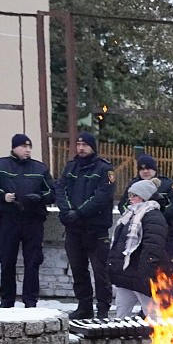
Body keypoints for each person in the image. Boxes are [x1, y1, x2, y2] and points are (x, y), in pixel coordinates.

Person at [0, 133, 54, 308]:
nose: (27, 150)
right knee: (7, 260)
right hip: (9, 219)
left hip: (33, 220)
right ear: (14, 148)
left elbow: (52, 192)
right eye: (23, 146)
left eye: (29, 147)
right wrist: (2, 197)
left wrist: (38, 198)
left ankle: (30, 301)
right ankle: (7, 301)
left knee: (33, 261)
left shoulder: (40, 168)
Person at [56, 132, 115, 320]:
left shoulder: (104, 169)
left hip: (96, 229)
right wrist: (66, 212)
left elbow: (102, 196)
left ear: (93, 147)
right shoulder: (71, 167)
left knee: (101, 272)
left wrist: (80, 212)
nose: (81, 148)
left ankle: (103, 308)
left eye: (85, 145)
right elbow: (60, 189)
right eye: (78, 144)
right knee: (78, 270)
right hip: (74, 229)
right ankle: (84, 306)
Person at [108, 180, 168, 318]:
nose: (130, 199)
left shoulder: (153, 215)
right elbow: (119, 243)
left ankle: (157, 339)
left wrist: (146, 272)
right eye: (130, 195)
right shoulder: (130, 215)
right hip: (127, 274)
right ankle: (120, 338)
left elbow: (153, 246)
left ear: (143, 196)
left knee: (153, 315)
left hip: (142, 274)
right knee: (121, 315)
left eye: (134, 195)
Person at [119, 154, 173, 278]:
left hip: (166, 234)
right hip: (139, 236)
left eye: (148, 168)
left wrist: (157, 218)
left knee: (167, 271)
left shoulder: (167, 184)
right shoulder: (133, 186)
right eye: (142, 169)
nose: (145, 171)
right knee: (143, 272)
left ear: (155, 169)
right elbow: (123, 206)